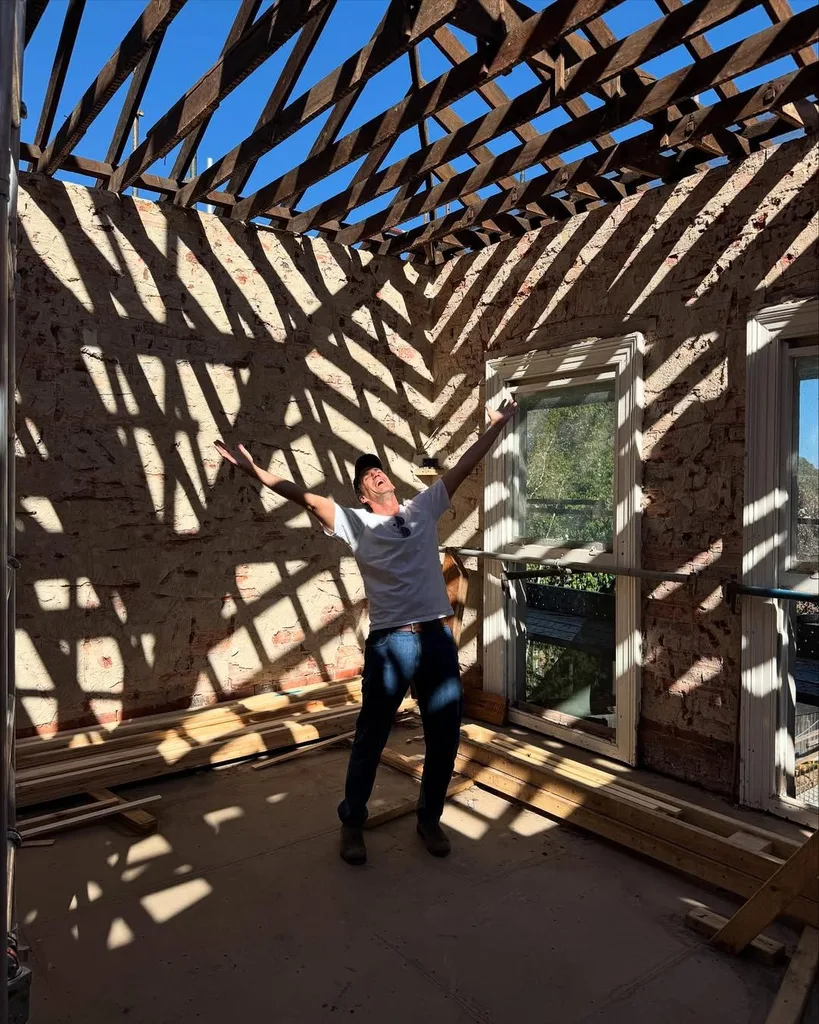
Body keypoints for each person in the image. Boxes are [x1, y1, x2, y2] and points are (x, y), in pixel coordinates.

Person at [215, 399, 517, 865]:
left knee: (445, 731)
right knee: (373, 734)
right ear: (361, 494)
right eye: (366, 477)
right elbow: (307, 497)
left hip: (436, 637)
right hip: (391, 640)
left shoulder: (422, 509)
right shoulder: (357, 523)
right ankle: (352, 822)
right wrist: (256, 472)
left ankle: (429, 818)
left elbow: (463, 466)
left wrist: (495, 427)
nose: (376, 475)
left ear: (389, 480)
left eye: (379, 471)